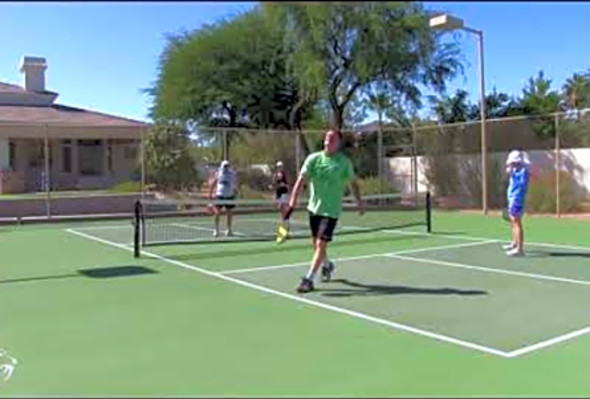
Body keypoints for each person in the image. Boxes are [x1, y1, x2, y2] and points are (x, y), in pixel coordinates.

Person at [285, 129, 364, 293]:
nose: (328, 139)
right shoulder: (313, 159)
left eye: (332, 138)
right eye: (327, 137)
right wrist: (292, 202)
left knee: (321, 244)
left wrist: (359, 202)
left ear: (338, 143)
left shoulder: (344, 162)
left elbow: (353, 184)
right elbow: (300, 181)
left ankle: (308, 280)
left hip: (331, 211)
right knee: (317, 245)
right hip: (314, 209)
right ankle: (327, 265)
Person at [503, 150, 530, 256]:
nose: (511, 164)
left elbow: (522, 185)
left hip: (517, 200)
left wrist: (512, 174)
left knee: (516, 222)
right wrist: (511, 173)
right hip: (512, 199)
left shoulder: (523, 171)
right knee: (513, 222)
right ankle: (514, 243)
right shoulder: (514, 170)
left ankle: (519, 249)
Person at [208, 160, 239, 237]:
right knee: (217, 212)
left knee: (229, 213)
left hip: (229, 196)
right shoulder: (218, 173)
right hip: (220, 195)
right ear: (222, 166)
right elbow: (213, 183)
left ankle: (229, 230)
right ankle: (216, 230)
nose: (226, 167)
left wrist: (236, 191)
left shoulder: (232, 174)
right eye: (225, 166)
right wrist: (210, 193)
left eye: (227, 166)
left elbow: (235, 183)